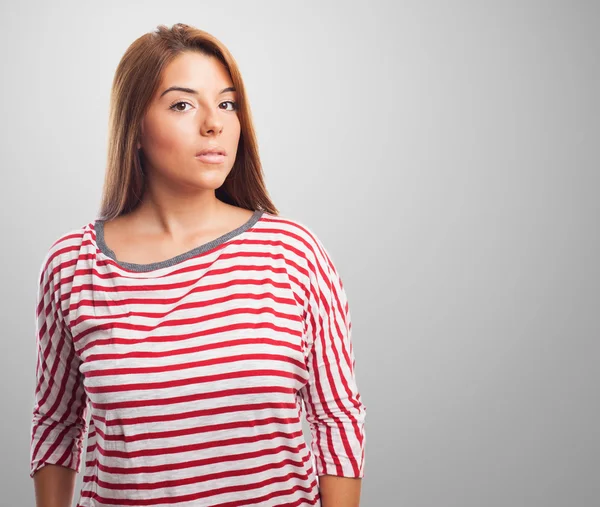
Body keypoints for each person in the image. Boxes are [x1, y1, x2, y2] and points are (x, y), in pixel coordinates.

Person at [30, 23, 366, 507]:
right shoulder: (73, 265)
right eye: (182, 104)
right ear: (135, 128)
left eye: (227, 103)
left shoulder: (294, 253)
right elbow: (56, 424)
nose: (214, 123)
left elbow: (337, 419)